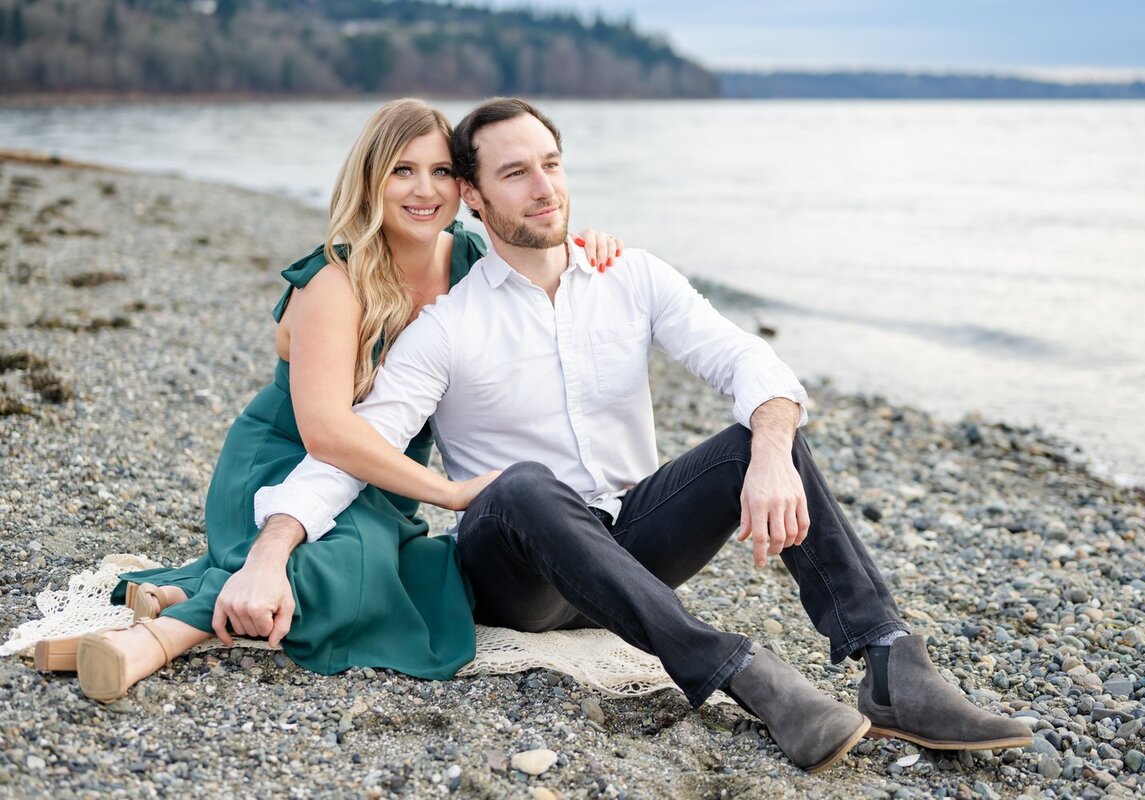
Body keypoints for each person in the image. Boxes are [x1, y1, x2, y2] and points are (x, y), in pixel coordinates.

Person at [252, 98, 1034, 774]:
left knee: (765, 433)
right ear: (473, 201)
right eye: (515, 173)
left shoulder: (632, 277)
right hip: (519, 574)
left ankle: (894, 666)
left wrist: (768, 453)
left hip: (630, 548)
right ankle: (738, 671)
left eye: (550, 164)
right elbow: (354, 451)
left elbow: (746, 359)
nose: (544, 187)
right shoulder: (445, 329)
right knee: (522, 483)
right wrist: (272, 550)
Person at [31, 98, 622, 702]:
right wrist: (448, 493)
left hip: (385, 477)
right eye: (402, 170)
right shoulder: (336, 282)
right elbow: (327, 436)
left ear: (466, 186)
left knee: (421, 575)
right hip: (288, 464)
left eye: (441, 171)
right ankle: (159, 639)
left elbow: (540, 245)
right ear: (371, 179)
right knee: (352, 571)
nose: (425, 191)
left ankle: (186, 591)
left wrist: (587, 246)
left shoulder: (473, 262)